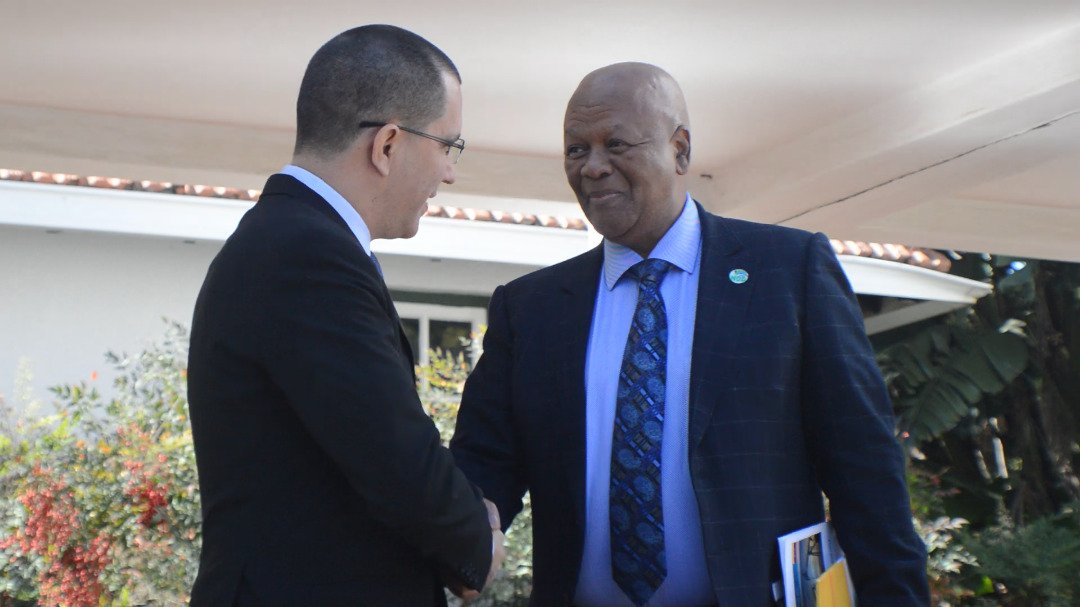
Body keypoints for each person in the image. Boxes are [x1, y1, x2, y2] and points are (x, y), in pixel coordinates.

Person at [450, 62, 929, 606]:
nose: (593, 167)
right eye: (576, 149)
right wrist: (459, 538)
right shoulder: (530, 308)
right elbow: (482, 465)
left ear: (679, 150)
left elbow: (865, 469)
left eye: (616, 144)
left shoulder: (787, 271)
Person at [186, 25, 503, 606]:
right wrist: (475, 541)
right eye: (448, 146)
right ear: (387, 145)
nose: (450, 173)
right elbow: (393, 454)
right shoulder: (307, 255)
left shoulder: (288, 240)